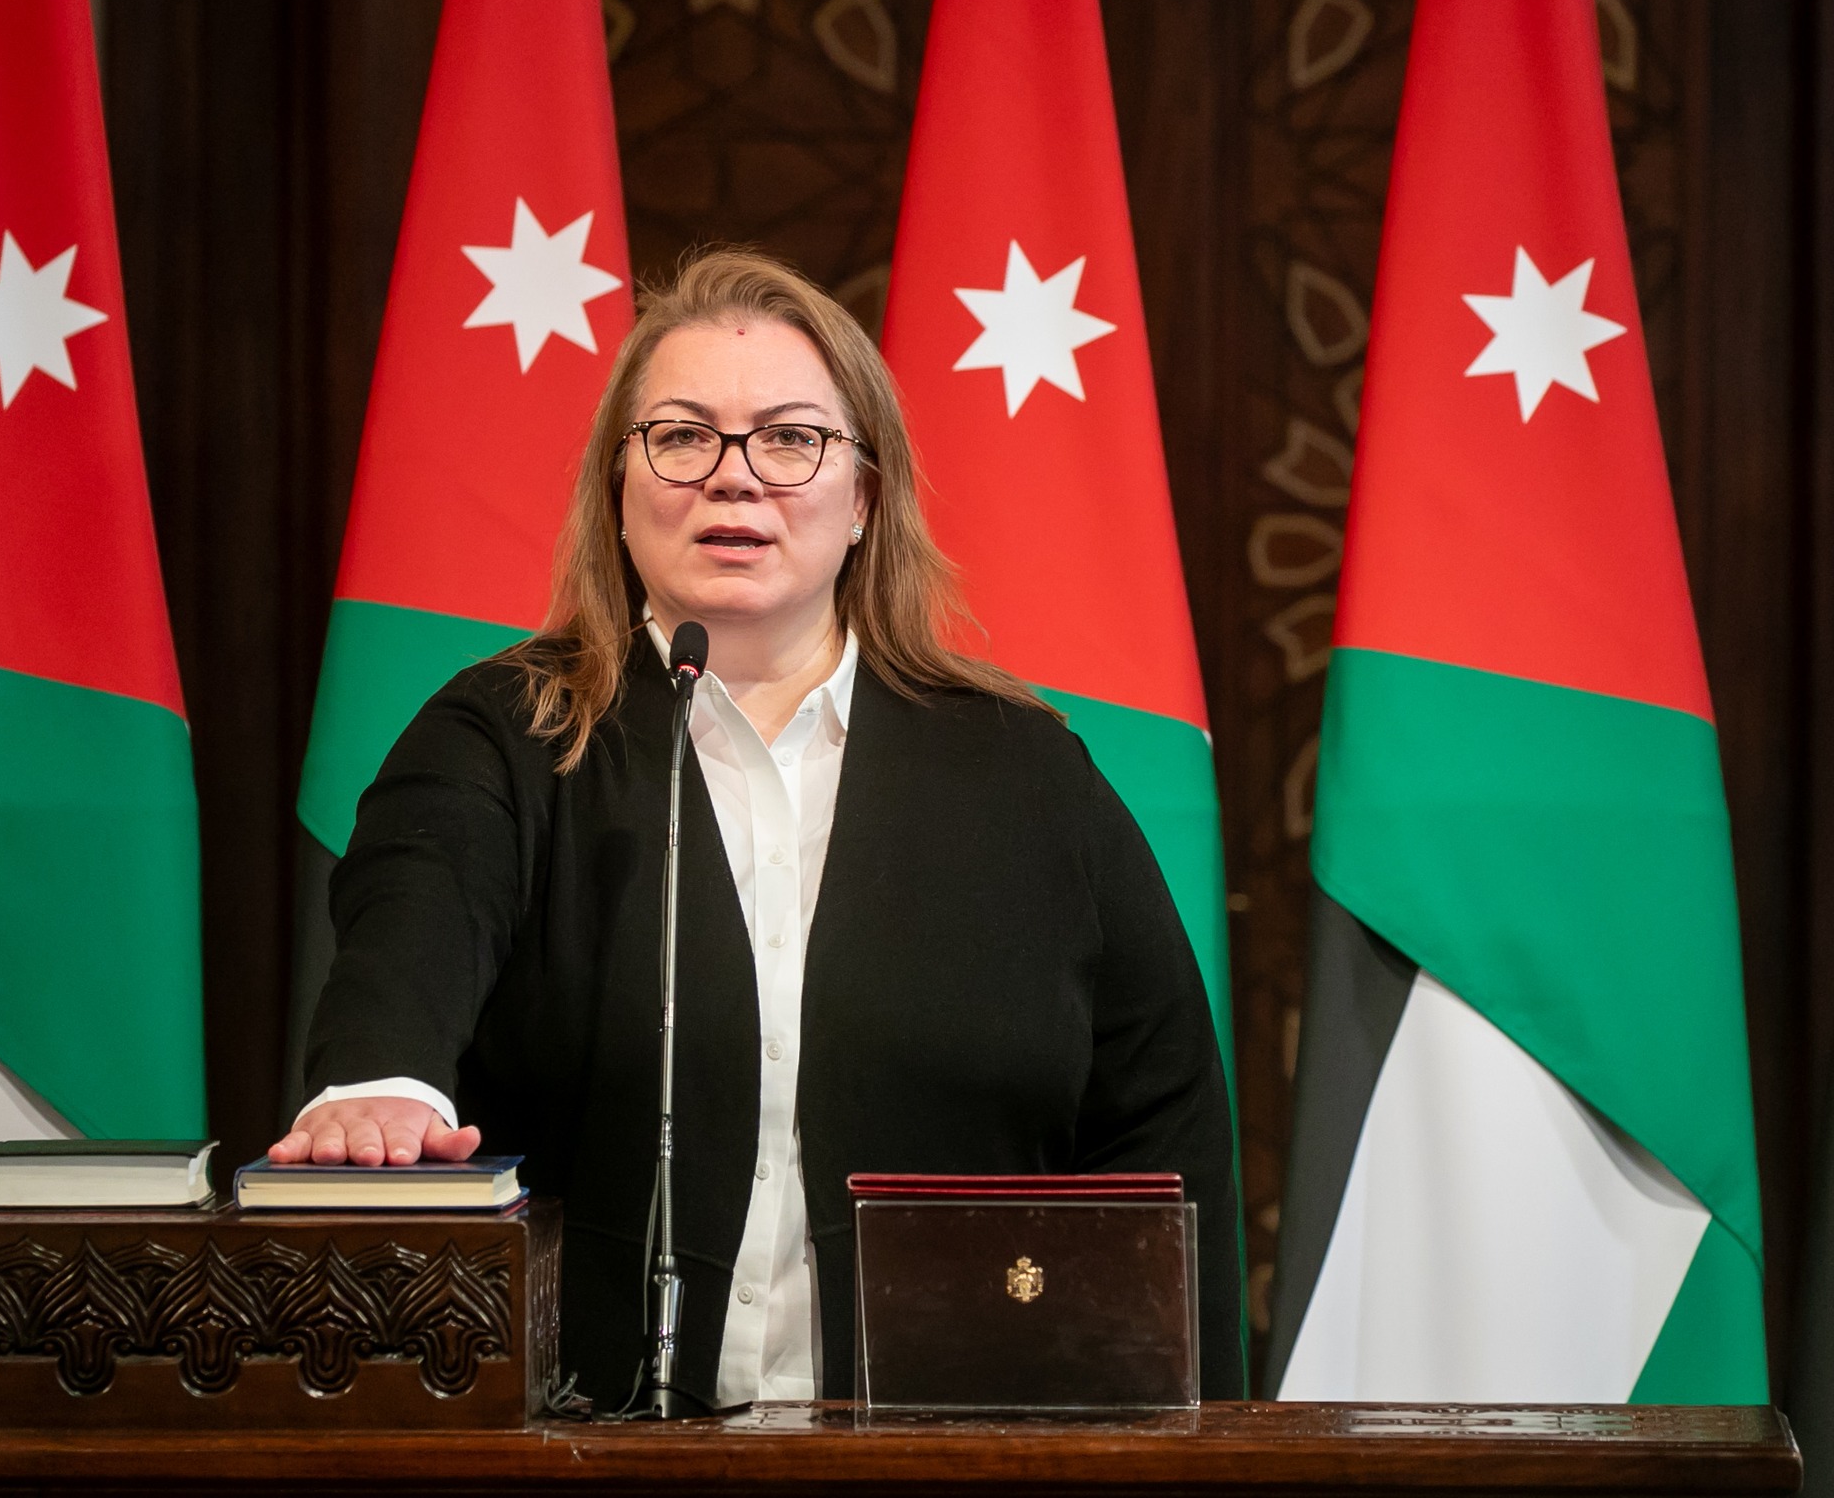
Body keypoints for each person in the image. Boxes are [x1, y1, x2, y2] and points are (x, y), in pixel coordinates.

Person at [275, 248, 1242, 1405]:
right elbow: (411, 927)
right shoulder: (503, 735)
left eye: (789, 439)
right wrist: (381, 1088)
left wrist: (1180, 1443)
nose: (732, 477)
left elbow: (1165, 1133)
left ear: (863, 496)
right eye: (682, 436)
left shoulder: (1024, 773)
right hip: (579, 1452)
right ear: (617, 487)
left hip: (952, 1455)